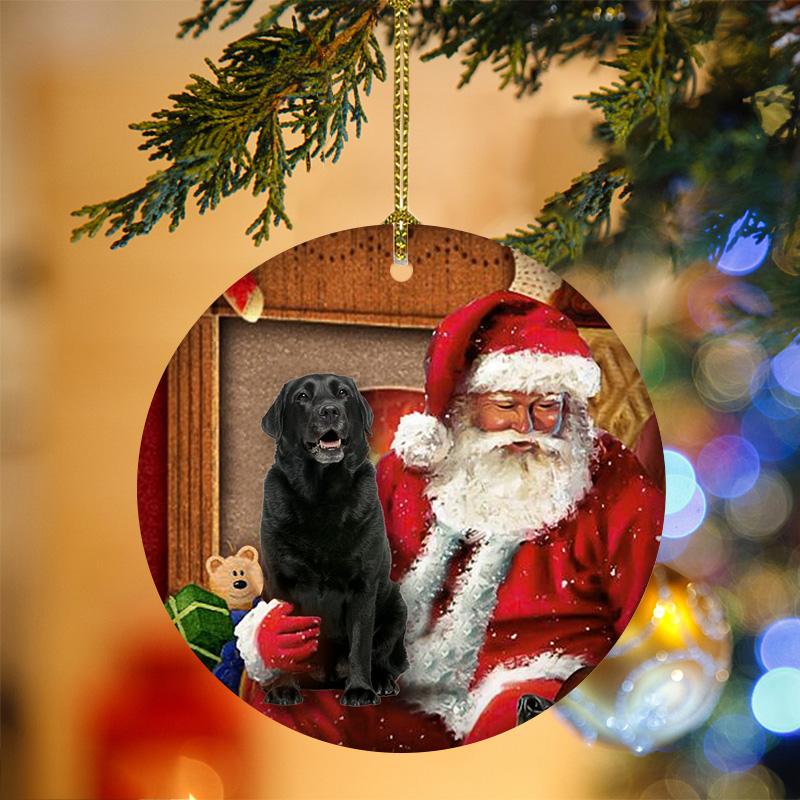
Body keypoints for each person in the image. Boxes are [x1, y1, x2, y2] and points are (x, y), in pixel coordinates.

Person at [235, 290, 664, 751]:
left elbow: (648, 617)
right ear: (466, 403)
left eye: (547, 405)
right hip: (401, 680)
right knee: (293, 700)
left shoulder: (609, 482)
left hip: (534, 678)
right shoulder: (408, 471)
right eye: (505, 405)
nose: (529, 426)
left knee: (519, 719)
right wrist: (279, 632)